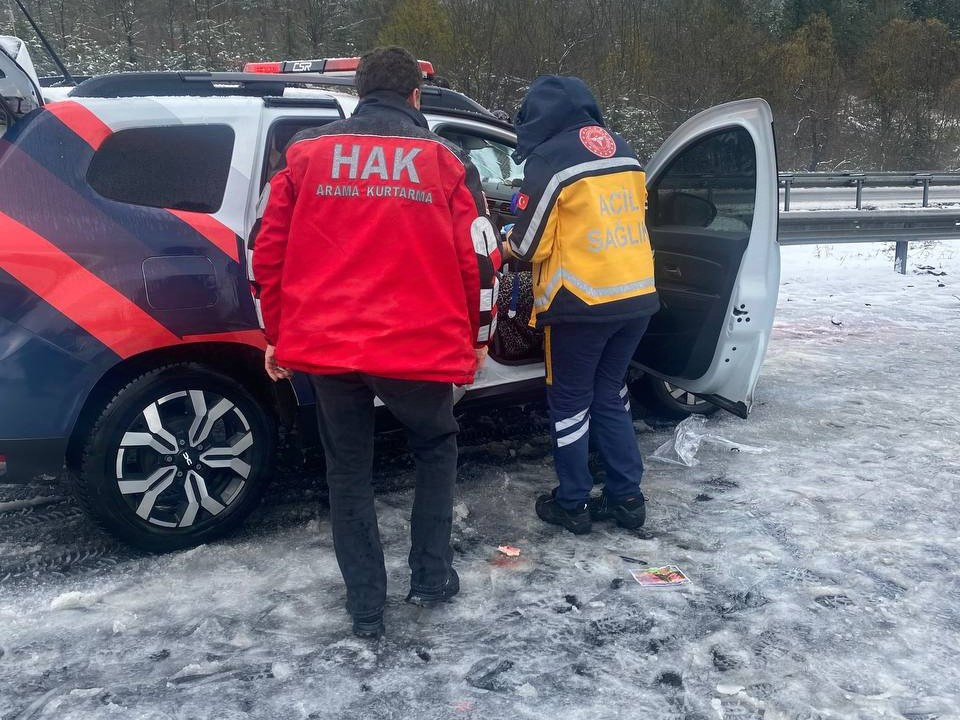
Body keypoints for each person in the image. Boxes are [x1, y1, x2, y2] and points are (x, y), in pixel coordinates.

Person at [251, 46, 501, 638]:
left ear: (357, 94)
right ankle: (432, 575)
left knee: (348, 471)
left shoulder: (305, 156)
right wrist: (480, 337)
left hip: (329, 349)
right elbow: (482, 259)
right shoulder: (444, 161)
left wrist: (276, 334)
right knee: (435, 445)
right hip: (416, 348)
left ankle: (366, 606)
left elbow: (267, 251)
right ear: (416, 96)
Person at [505, 75, 659, 535]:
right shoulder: (624, 149)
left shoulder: (550, 159)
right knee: (609, 394)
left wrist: (502, 243)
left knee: (570, 402)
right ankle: (627, 498)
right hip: (636, 297)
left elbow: (529, 246)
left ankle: (572, 502)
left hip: (581, 302)